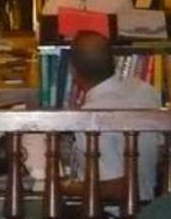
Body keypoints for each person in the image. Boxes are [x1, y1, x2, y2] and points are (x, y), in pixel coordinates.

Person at [66, 31, 162, 202]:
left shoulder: (90, 117)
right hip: (151, 205)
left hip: (115, 213)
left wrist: (61, 186)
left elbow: (116, 188)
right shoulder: (145, 91)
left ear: (73, 71)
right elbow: (160, 151)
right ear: (116, 61)